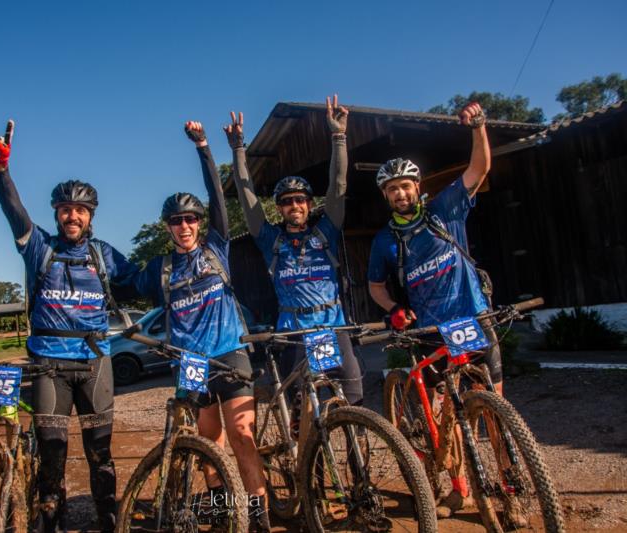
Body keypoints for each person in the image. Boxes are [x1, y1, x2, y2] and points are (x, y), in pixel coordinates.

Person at [0, 120, 137, 533]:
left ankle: (108, 520)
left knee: (100, 453)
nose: (73, 216)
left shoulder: (104, 255)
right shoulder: (41, 249)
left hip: (94, 365)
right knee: (52, 452)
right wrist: (2, 172)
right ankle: (50, 518)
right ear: (56, 214)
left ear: (91, 217)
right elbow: (12, 211)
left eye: (81, 210)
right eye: (66, 210)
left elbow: (145, 280)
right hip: (49, 366)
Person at [366, 102, 514, 521]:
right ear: (386, 196)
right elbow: (376, 286)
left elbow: (479, 169)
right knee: (443, 414)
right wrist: (393, 308)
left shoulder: (444, 210)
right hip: (430, 332)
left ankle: (509, 486)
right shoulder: (384, 241)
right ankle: (458, 487)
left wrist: (479, 127)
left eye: (405, 185)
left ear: (417, 187)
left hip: (473, 317)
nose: (399, 193)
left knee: (495, 413)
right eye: (391, 189)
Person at [132, 121, 271, 532]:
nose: (185, 226)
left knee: (243, 436)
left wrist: (204, 148)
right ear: (168, 226)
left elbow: (216, 196)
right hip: (191, 363)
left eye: (191, 218)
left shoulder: (216, 249)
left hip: (230, 351)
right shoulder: (161, 269)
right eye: (177, 220)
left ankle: (259, 519)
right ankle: (225, 512)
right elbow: (119, 281)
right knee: (209, 445)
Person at [226, 96, 364, 425]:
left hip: (334, 326)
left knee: (355, 398)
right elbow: (247, 202)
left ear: (309, 203)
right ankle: (307, 469)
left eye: (300, 199)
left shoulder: (326, 231)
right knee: (301, 411)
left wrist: (339, 136)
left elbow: (339, 184)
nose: (294, 206)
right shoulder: (270, 239)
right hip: (294, 334)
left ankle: (359, 465)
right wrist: (238, 150)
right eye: (286, 202)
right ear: (279, 208)